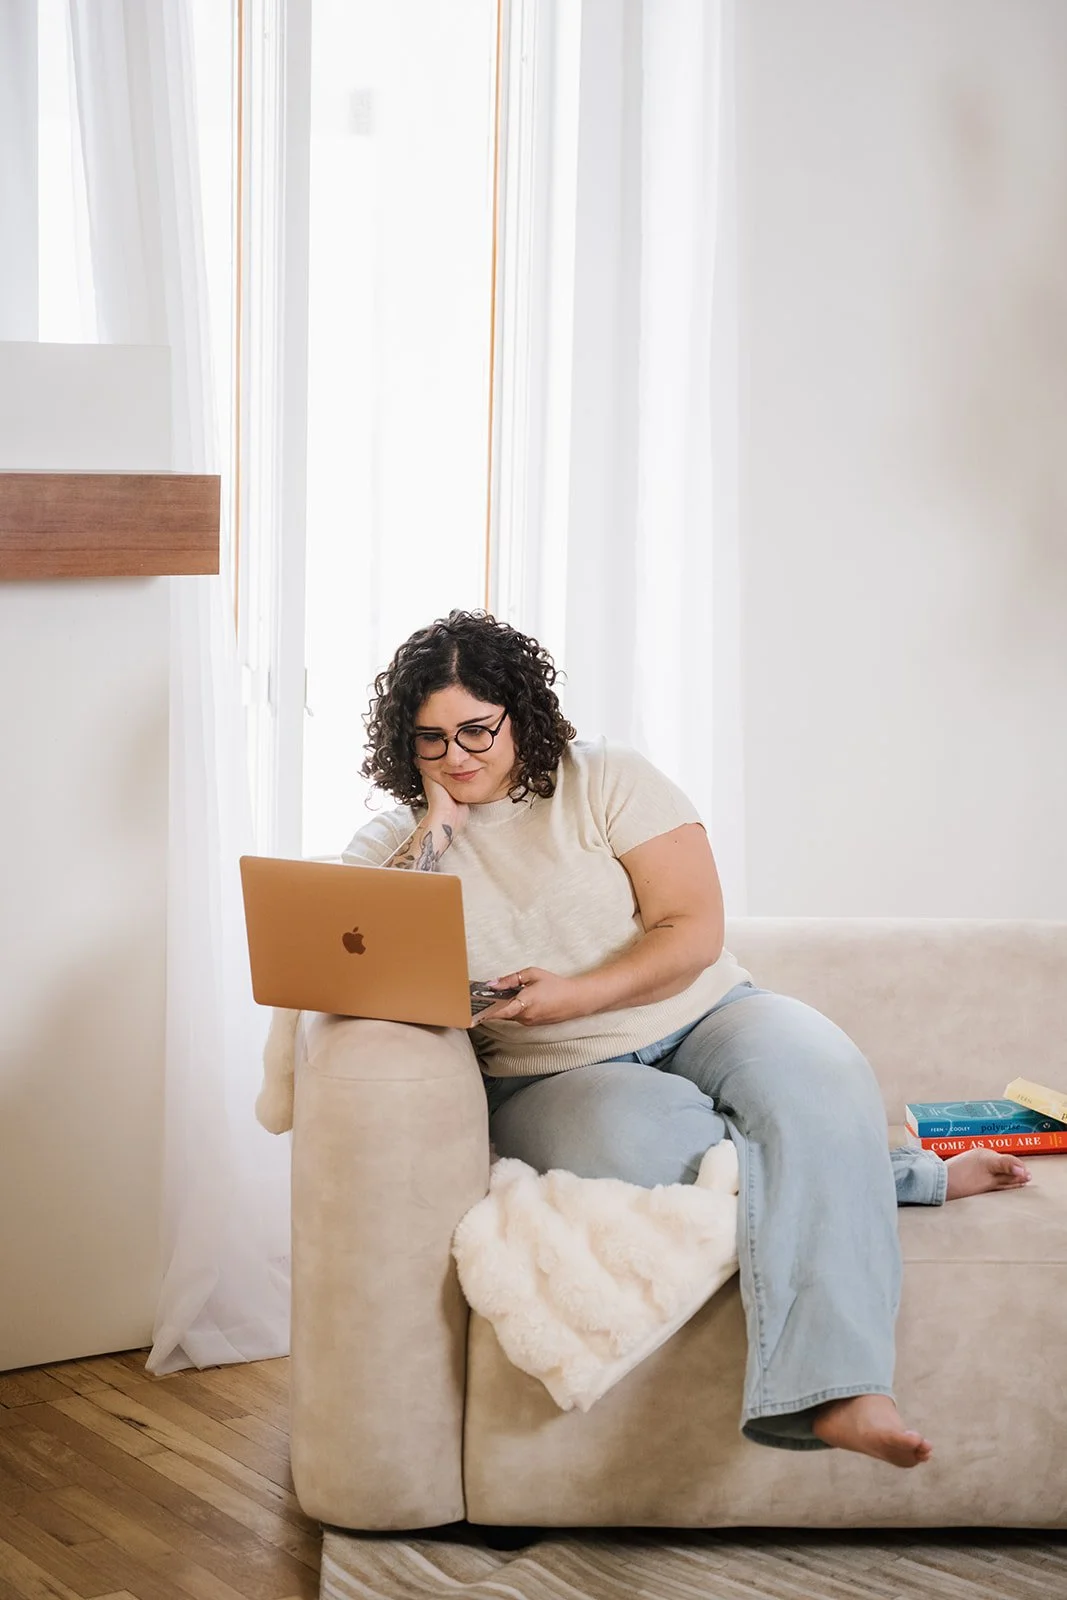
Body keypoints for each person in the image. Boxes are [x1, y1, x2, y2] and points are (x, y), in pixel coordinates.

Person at [342, 610, 1032, 1470]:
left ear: (519, 711)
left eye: (478, 728)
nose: (458, 755)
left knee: (822, 1073)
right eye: (431, 738)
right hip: (556, 1076)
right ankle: (898, 1174)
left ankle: (844, 1390)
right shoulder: (393, 841)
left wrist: (574, 993)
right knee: (645, 1143)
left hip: (708, 1012)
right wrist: (438, 834)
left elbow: (690, 931)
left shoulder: (608, 779)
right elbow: (362, 962)